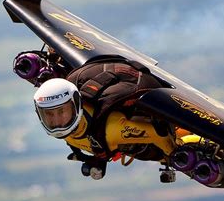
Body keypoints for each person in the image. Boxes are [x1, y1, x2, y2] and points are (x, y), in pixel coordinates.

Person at [27, 54, 184, 180]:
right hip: (107, 72)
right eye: (49, 115)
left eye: (61, 112)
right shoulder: (68, 120)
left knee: (160, 151)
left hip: (143, 86)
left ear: (76, 105)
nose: (57, 121)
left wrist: (174, 158)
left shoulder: (114, 129)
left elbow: (160, 134)